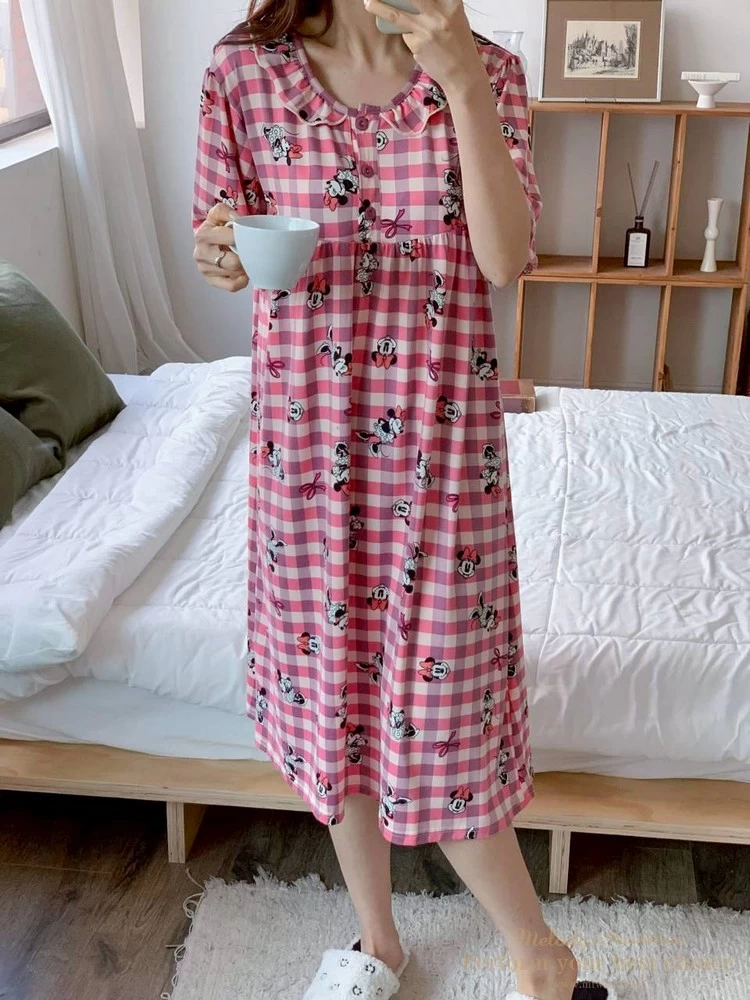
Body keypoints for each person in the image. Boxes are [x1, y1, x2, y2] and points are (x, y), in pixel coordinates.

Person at [193, 2, 610, 998]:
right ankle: (377, 941)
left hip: (441, 451)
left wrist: (458, 78)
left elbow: (504, 259)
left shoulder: (488, 72)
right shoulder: (243, 72)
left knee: (444, 708)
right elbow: (220, 242)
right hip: (307, 453)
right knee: (333, 696)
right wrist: (220, 256)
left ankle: (538, 949)